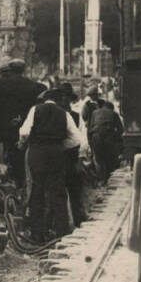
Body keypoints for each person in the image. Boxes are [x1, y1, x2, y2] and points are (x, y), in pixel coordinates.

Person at [18, 88, 80, 243]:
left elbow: (25, 132)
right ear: (58, 100)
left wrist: (22, 143)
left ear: (45, 99)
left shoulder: (35, 109)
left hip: (37, 152)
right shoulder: (64, 114)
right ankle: (62, 233)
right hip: (57, 154)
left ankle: (37, 234)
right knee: (58, 192)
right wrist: (59, 146)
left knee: (37, 191)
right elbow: (76, 140)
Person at [0, 59, 46, 188]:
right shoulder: (31, 85)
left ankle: (14, 182)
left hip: (8, 125)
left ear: (10, 70)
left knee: (11, 153)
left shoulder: (3, 84)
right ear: (23, 70)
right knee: (25, 154)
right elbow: (43, 89)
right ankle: (25, 182)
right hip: (26, 124)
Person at [58, 82, 89, 229]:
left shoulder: (76, 116)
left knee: (75, 188)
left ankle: (78, 219)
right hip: (58, 156)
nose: (64, 100)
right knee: (58, 193)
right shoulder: (55, 114)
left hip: (72, 156)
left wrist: (80, 157)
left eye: (67, 97)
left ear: (70, 99)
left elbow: (83, 137)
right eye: (62, 97)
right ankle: (61, 225)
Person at [88, 99, 124, 184]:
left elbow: (89, 129)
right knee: (109, 158)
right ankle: (109, 178)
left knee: (99, 158)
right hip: (108, 136)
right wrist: (116, 138)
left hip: (95, 136)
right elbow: (121, 129)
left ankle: (102, 179)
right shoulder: (114, 113)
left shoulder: (94, 113)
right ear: (111, 108)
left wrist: (90, 142)